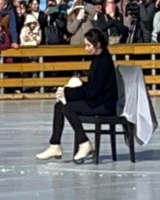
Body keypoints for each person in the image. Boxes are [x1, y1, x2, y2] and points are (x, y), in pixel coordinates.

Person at [36, 29, 117, 163]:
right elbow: (92, 88)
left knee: (67, 108)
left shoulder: (104, 62)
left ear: (97, 44)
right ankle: (55, 144)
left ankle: (84, 142)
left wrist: (68, 93)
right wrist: (69, 90)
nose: (86, 49)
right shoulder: (98, 59)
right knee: (59, 106)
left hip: (105, 105)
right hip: (98, 101)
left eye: (88, 45)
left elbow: (93, 91)